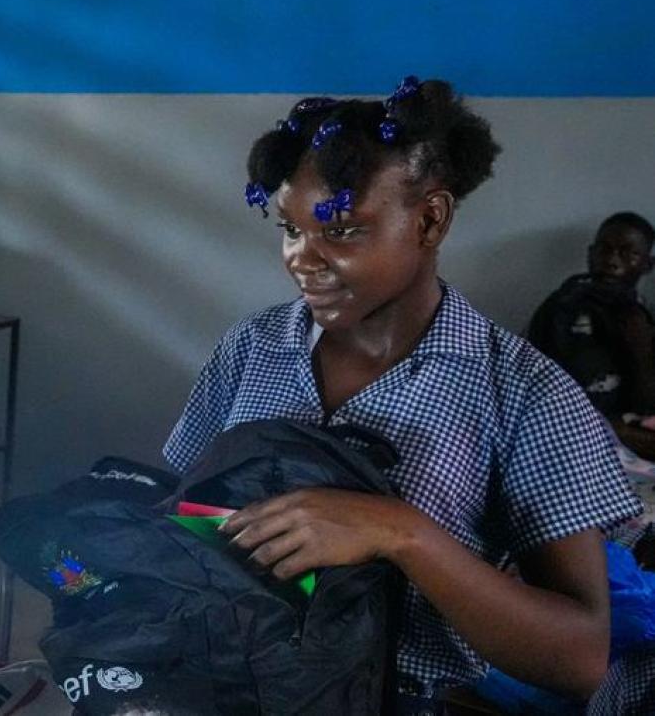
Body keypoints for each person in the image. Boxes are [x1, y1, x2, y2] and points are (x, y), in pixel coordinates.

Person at [164, 77, 641, 710]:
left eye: (343, 231)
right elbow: (178, 509)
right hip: (224, 685)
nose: (303, 260)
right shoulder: (252, 350)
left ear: (430, 220)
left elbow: (579, 657)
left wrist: (399, 532)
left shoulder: (525, 393)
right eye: (290, 229)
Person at [528, 212, 655, 456]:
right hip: (571, 428)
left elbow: (646, 403)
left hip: (629, 425)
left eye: (628, 253)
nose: (611, 261)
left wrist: (641, 348)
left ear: (647, 265)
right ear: (590, 253)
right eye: (604, 250)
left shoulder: (643, 316)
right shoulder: (561, 308)